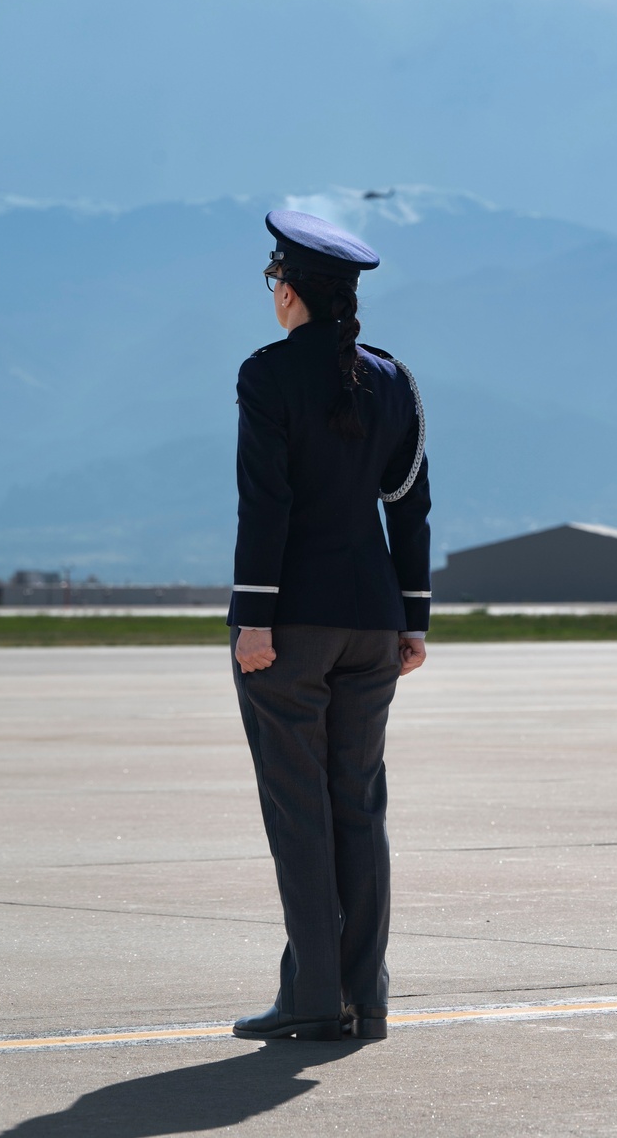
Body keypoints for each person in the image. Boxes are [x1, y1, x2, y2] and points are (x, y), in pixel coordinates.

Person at [229, 209, 431, 1043]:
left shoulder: (267, 374)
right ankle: (365, 996)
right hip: (374, 623)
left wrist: (253, 618)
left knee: (298, 810)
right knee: (359, 805)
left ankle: (313, 996)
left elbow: (265, 502)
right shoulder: (394, 380)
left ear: (289, 291)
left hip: (294, 624)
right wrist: (413, 618)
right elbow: (409, 505)